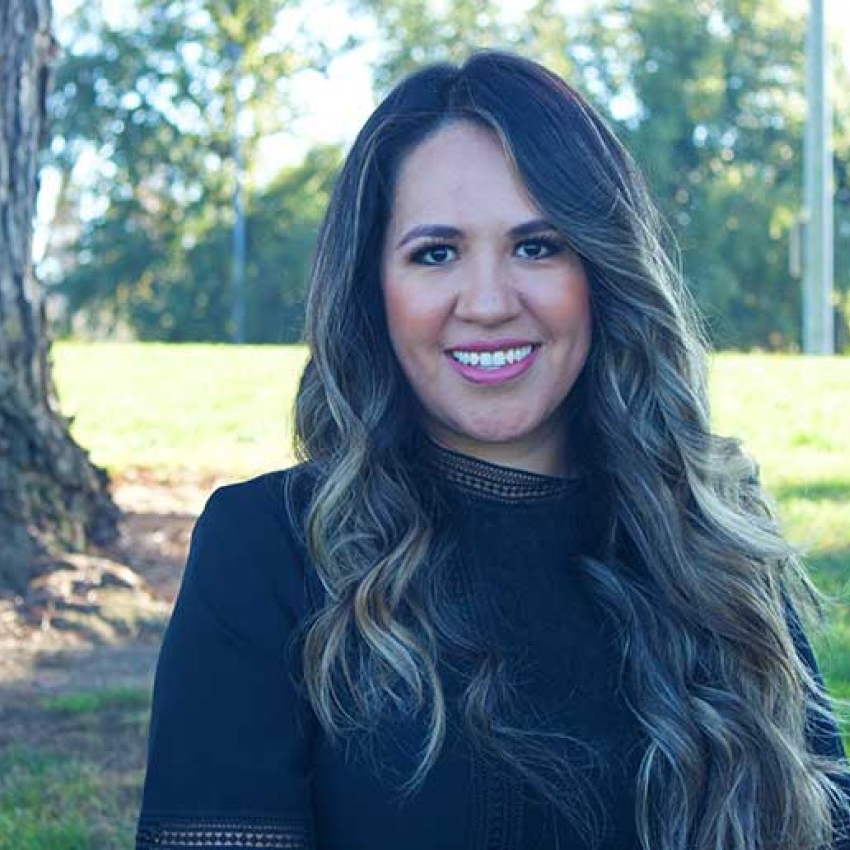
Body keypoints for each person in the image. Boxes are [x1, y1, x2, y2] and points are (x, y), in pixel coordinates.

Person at [135, 50, 849, 850]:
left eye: (537, 246)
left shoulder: (715, 537)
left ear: (601, 268)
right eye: (435, 253)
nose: (487, 302)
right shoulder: (268, 548)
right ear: (373, 288)